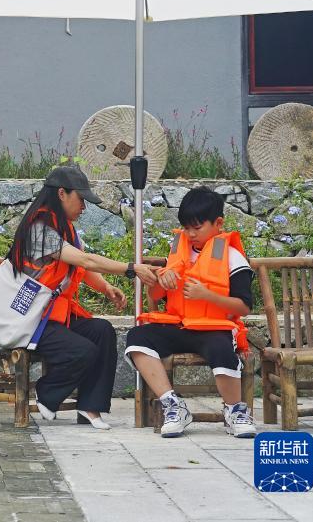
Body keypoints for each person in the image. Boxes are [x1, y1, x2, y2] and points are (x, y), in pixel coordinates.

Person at [4, 166, 159, 429]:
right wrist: (131, 268)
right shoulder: (39, 230)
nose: (84, 207)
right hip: (28, 320)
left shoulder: (66, 231)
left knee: (102, 331)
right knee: (83, 350)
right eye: (81, 199)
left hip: (51, 318)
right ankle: (47, 392)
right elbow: (86, 260)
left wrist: (106, 288)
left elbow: (81, 267)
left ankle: (90, 407)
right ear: (61, 194)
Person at [126, 186, 256, 438]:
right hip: (178, 326)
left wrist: (207, 296)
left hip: (213, 329)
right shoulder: (177, 253)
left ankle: (235, 411)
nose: (190, 234)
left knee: (222, 350)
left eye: (197, 227)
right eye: (186, 228)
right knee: (137, 338)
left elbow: (244, 306)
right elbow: (156, 296)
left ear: (218, 223)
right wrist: (161, 280)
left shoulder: (232, 257)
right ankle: (173, 405)